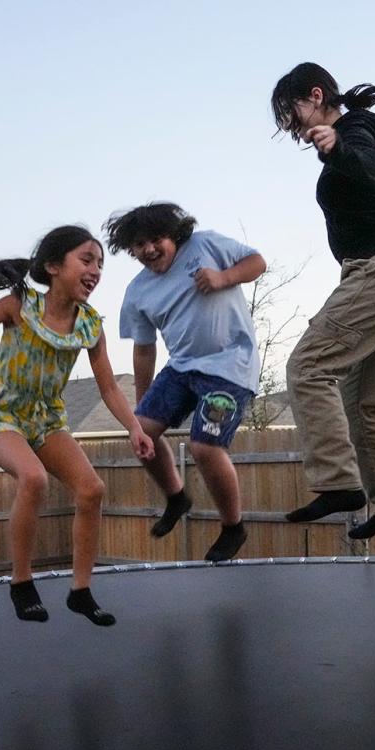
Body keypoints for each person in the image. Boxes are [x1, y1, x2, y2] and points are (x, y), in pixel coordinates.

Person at [0, 225, 155, 624]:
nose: (96, 271)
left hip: (46, 421)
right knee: (33, 479)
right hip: (2, 415)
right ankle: (21, 583)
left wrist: (134, 427)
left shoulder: (90, 325)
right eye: (86, 260)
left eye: (100, 264)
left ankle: (81, 591)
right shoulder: (18, 305)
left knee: (92, 489)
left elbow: (109, 389)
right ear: (53, 266)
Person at [270, 62, 375, 540]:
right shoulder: (363, 126)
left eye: (296, 118)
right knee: (363, 402)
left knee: (308, 366)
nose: (299, 133)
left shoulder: (352, 132)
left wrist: (339, 144)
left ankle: (339, 484)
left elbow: (372, 171)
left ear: (316, 96)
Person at [106, 202, 266, 562]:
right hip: (181, 368)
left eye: (156, 240)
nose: (149, 250)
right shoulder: (137, 292)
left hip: (229, 364)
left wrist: (224, 278)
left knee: (205, 447)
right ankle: (176, 497)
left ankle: (232, 527)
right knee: (140, 433)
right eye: (139, 245)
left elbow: (257, 262)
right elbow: (144, 350)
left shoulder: (205, 245)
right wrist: (141, 407)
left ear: (174, 236)